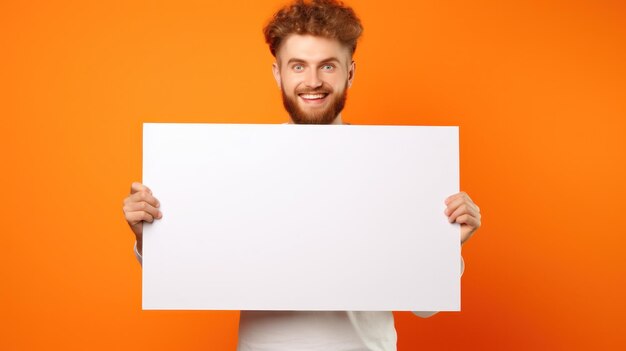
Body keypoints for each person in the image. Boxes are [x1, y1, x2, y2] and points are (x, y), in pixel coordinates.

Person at [122, 0, 482, 350]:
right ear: (278, 73)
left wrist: (445, 243)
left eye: (327, 66)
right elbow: (198, 269)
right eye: (298, 66)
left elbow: (425, 307)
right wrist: (149, 238)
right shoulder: (238, 165)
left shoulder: (399, 169)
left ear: (350, 73)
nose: (312, 81)